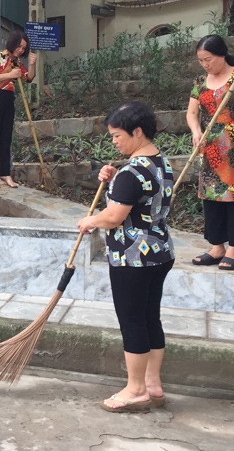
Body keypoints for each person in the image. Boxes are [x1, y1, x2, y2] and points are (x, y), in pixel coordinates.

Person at [77, 101, 175, 413]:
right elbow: (139, 195)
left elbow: (115, 216)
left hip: (133, 257)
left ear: (137, 131)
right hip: (159, 251)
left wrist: (90, 221)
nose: (114, 141)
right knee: (149, 317)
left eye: (118, 135)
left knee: (132, 321)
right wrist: (114, 177)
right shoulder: (160, 162)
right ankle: (152, 384)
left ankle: (135, 390)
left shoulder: (132, 172)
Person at [187, 35, 234, 271]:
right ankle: (217, 246)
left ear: (222, 54)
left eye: (208, 59)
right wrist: (196, 131)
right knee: (211, 197)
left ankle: (233, 250)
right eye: (201, 60)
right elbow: (191, 113)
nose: (205, 64)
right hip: (210, 147)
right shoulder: (200, 81)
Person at [0, 29, 36, 189]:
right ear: (12, 44)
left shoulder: (17, 62)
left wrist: (32, 65)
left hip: (8, 98)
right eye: (19, 46)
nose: (21, 50)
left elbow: (28, 78)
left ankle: (5, 173)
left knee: (6, 136)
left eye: (23, 48)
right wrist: (10, 75)